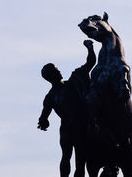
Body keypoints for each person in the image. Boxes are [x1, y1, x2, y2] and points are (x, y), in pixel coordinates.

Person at [38, 40, 96, 177]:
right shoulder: (52, 96)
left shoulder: (71, 83)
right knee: (70, 157)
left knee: (79, 160)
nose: (59, 71)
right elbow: (43, 117)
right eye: (56, 70)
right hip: (71, 129)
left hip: (77, 127)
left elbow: (90, 63)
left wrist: (90, 48)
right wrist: (43, 122)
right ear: (51, 76)